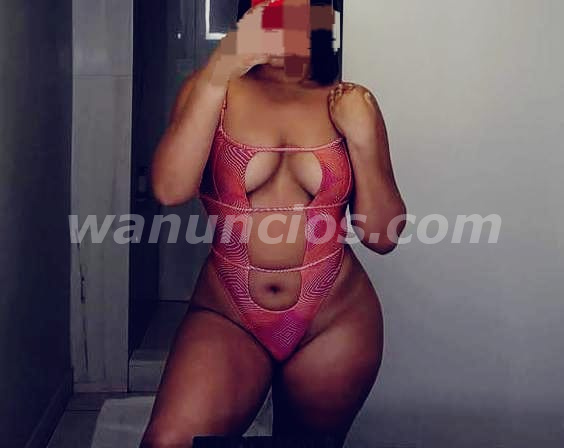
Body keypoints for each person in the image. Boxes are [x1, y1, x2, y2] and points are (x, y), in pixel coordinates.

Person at [141, 0, 406, 446]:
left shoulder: (349, 100)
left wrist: (362, 140)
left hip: (334, 319)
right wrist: (217, 73)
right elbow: (170, 189)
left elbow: (383, 236)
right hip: (229, 314)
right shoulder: (214, 88)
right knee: (169, 441)